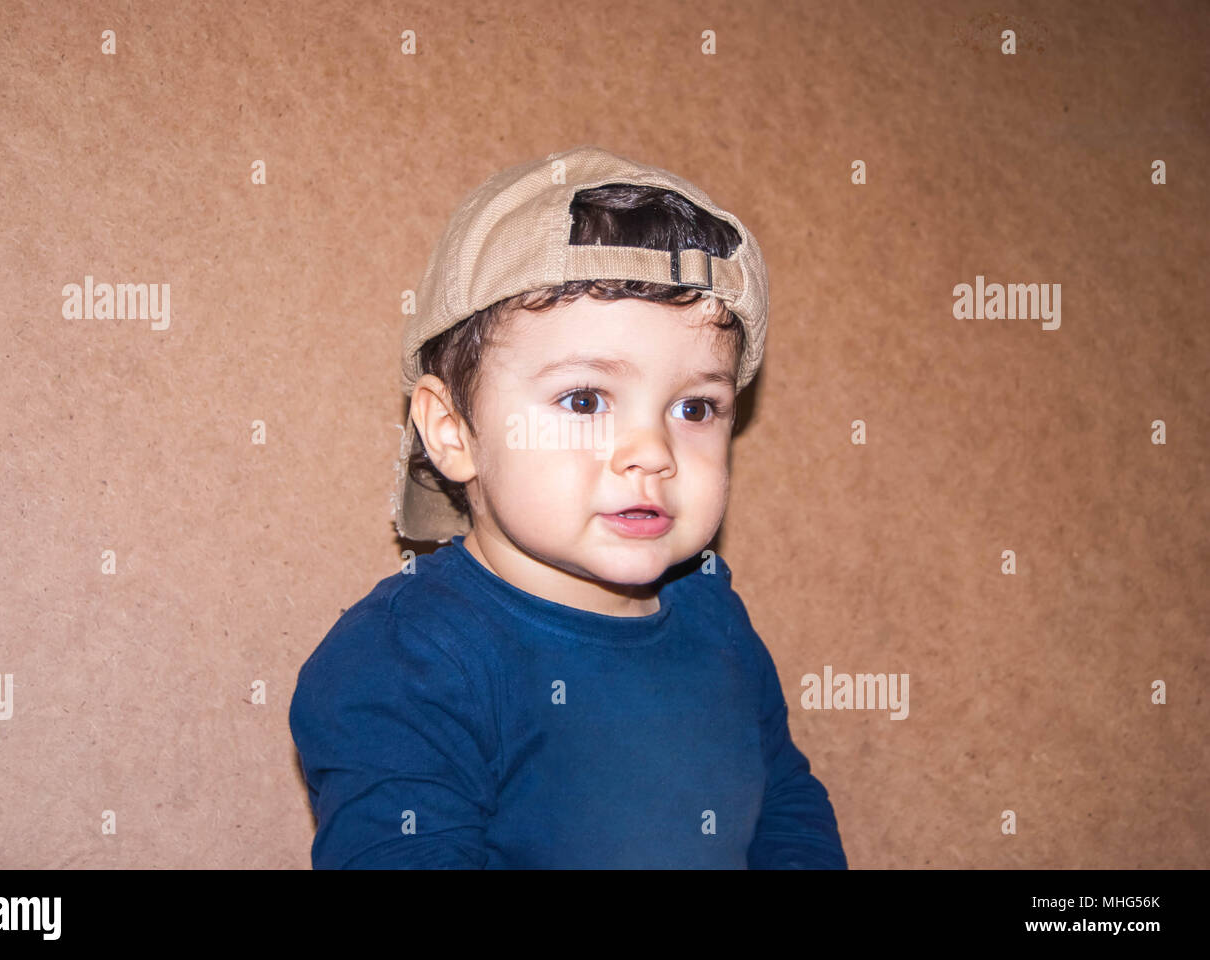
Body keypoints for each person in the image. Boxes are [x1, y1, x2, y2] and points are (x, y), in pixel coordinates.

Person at [289, 144, 848, 868]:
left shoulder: (713, 611)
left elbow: (785, 807)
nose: (652, 451)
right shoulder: (406, 660)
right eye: (585, 400)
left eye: (695, 406)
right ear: (453, 433)